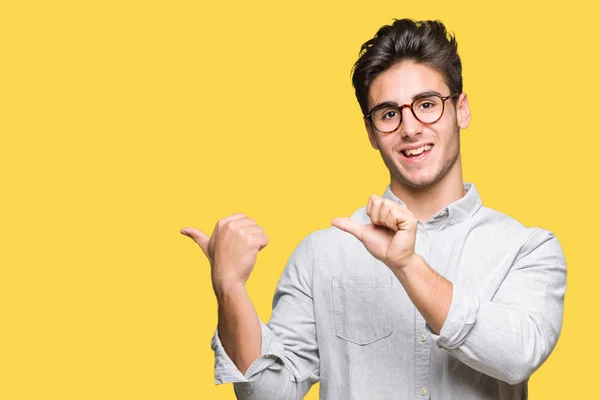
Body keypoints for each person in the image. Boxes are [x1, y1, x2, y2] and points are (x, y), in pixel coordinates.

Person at [181, 18, 567, 400]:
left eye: (427, 104)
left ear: (461, 110)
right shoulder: (321, 254)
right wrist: (230, 289)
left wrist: (407, 264)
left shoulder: (527, 249)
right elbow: (268, 394)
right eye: (388, 114)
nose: (410, 128)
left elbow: (518, 356)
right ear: (371, 133)